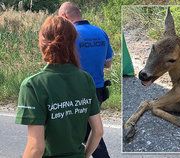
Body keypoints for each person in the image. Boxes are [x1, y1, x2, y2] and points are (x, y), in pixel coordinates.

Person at [15, 16, 103, 158]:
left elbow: (35, 148)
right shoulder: (85, 78)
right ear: (73, 43)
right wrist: (85, 155)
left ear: (42, 42)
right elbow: (98, 131)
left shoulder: (33, 85)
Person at [58, 2, 114, 158]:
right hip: (99, 90)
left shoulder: (69, 35)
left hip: (76, 91)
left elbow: (61, 65)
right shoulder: (100, 32)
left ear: (64, 16)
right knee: (88, 130)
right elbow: (108, 63)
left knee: (85, 132)